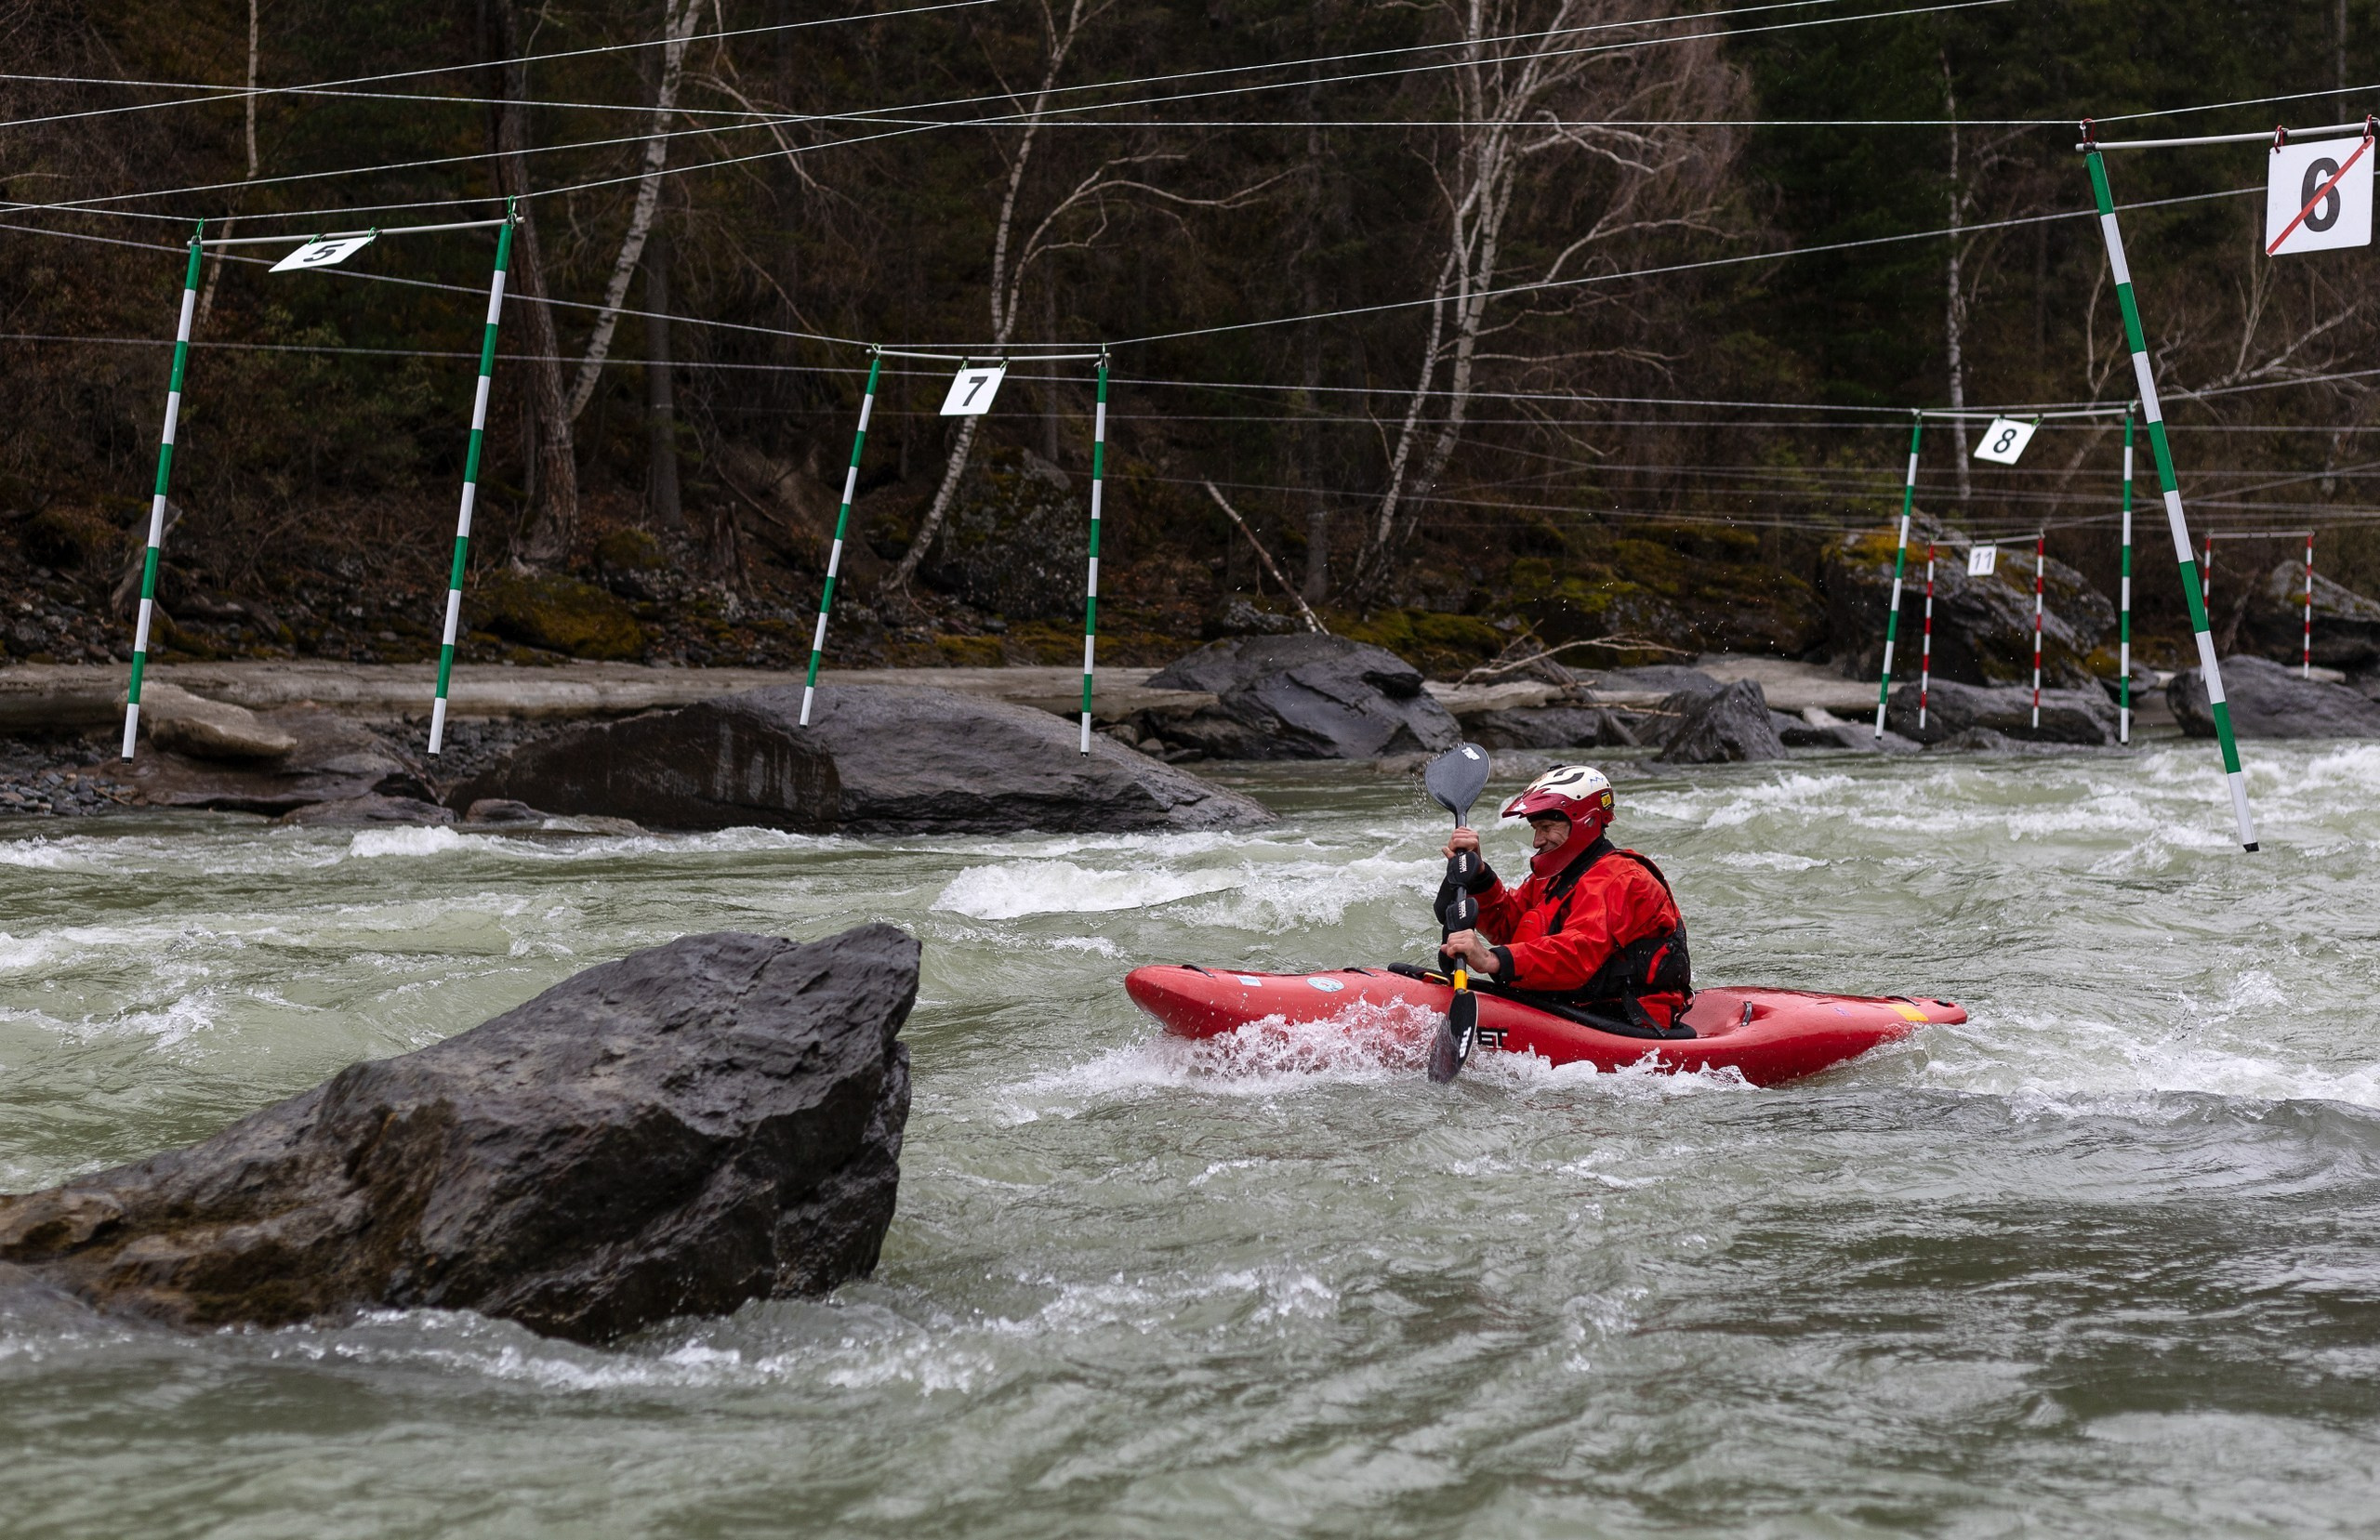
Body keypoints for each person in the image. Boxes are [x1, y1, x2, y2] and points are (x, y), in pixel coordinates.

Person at [1436, 763, 1694, 1036]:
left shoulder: (1623, 878)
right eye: (1536, 828)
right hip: (1575, 1006)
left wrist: (1492, 960)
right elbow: (1509, 927)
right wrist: (1480, 876)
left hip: (1628, 1018)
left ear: (1586, 821)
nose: (1537, 841)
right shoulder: (1555, 876)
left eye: (1546, 827)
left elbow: (1577, 954)